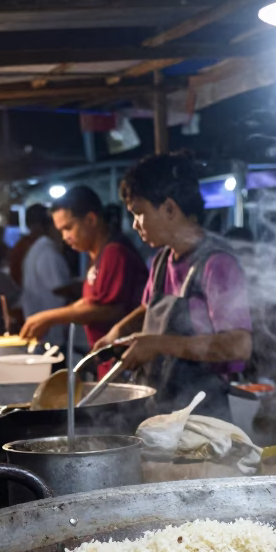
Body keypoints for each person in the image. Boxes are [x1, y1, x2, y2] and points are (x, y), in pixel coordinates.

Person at [93, 152, 253, 421]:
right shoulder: (161, 260)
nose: (134, 224)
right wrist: (119, 332)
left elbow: (239, 345)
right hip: (159, 411)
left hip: (203, 417)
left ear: (169, 209)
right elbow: (149, 309)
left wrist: (157, 344)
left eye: (139, 213)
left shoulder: (217, 264)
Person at [19, 186, 146, 357]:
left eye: (68, 228)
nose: (65, 237)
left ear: (91, 220)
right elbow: (90, 301)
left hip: (124, 360)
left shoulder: (114, 252)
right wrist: (45, 318)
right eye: (61, 231)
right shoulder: (97, 255)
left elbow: (110, 310)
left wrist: (49, 318)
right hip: (107, 359)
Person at [18, 203, 71, 348]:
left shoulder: (38, 248)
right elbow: (60, 288)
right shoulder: (47, 251)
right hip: (49, 336)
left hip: (43, 331)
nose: (66, 236)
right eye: (62, 229)